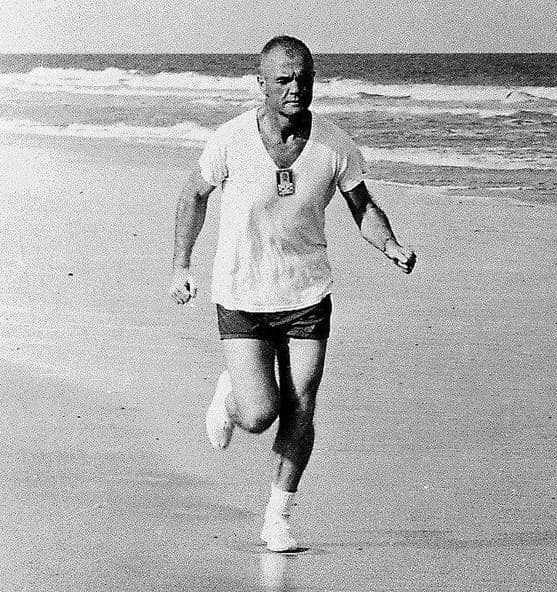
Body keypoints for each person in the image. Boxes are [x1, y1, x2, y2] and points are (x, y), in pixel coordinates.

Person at [169, 35, 416, 552]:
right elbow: (194, 194)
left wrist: (388, 243)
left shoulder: (334, 144)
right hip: (241, 292)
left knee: (302, 399)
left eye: (304, 78)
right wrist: (181, 265)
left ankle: (279, 514)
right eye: (283, 79)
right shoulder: (231, 139)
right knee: (260, 414)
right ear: (260, 84)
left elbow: (362, 207)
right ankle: (232, 394)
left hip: (306, 293)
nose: (295, 88)